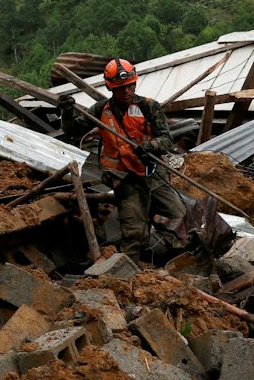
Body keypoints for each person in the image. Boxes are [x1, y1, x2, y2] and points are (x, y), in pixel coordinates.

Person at [62, 58, 187, 260]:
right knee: (134, 234)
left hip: (153, 174)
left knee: (178, 218)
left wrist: (150, 146)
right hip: (125, 179)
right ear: (111, 87)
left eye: (129, 86)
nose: (126, 91)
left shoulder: (148, 107)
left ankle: (180, 262)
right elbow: (72, 131)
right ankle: (130, 276)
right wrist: (66, 112)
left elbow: (166, 139)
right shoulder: (100, 111)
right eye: (121, 88)